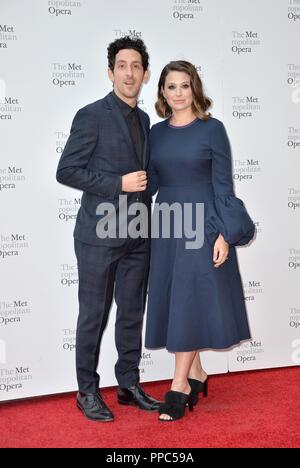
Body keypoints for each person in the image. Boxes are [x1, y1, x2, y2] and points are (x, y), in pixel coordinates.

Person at [56, 36, 160, 422]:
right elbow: (66, 170)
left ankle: (128, 385)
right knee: (94, 315)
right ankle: (86, 391)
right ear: (111, 72)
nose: (129, 72)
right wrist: (118, 183)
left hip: (137, 234)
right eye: (122, 65)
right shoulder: (92, 114)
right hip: (98, 236)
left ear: (145, 74)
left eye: (136, 66)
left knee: (132, 312)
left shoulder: (146, 119)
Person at [145, 61, 255, 421]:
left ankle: (178, 387)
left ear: (195, 89)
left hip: (203, 225)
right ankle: (197, 374)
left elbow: (224, 186)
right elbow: (153, 183)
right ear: (162, 91)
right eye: (171, 86)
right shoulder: (156, 134)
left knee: (190, 299)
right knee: (179, 298)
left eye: (184, 86)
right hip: (168, 224)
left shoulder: (213, 130)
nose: (178, 93)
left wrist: (224, 233)